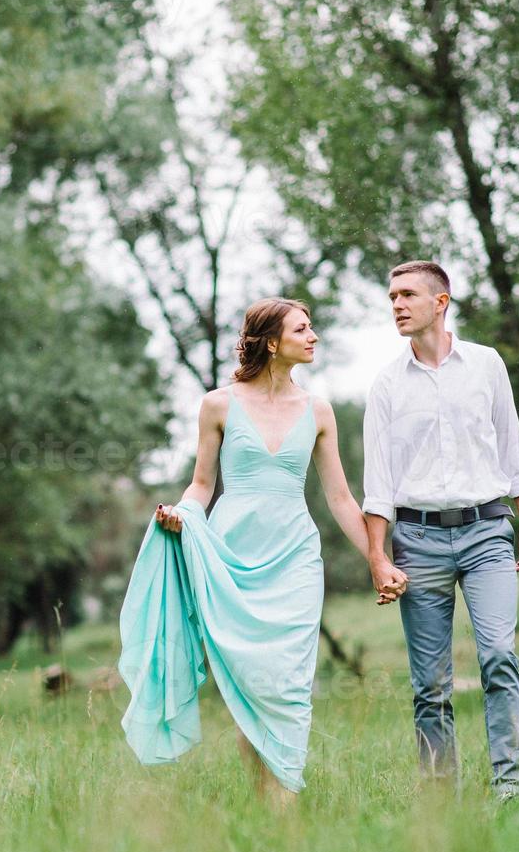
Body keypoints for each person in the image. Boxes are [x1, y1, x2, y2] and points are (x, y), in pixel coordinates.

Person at [118, 296, 408, 807]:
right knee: (250, 685)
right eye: (303, 329)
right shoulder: (218, 404)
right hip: (232, 558)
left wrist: (377, 559)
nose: (314, 336)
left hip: (294, 556)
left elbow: (340, 498)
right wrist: (181, 517)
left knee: (290, 685)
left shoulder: (318, 411)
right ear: (273, 342)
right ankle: (264, 805)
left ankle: (285, 802)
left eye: (312, 326)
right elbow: (202, 485)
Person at [361, 261, 519, 801]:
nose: (396, 304)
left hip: (488, 532)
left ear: (441, 302)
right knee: (431, 685)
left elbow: (512, 449)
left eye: (407, 294)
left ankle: (510, 787)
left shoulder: (487, 365)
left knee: (498, 656)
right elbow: (378, 482)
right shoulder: (386, 385)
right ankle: (441, 799)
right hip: (416, 542)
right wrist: (378, 556)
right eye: (392, 296)